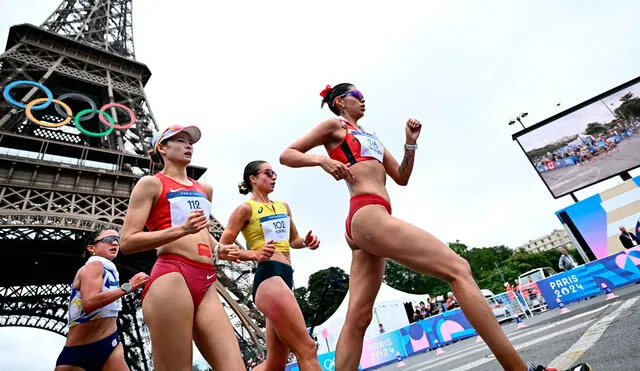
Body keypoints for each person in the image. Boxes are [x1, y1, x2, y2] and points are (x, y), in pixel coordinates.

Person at [279, 83, 570, 371]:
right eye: (357, 95)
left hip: (370, 219)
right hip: (366, 213)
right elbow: (288, 154)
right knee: (458, 269)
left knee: (359, 317)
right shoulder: (334, 125)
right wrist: (321, 160)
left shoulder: (370, 137)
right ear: (340, 101)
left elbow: (401, 176)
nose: (363, 98)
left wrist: (410, 142)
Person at [119, 125, 244, 371]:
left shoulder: (204, 190)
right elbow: (127, 241)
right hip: (172, 275)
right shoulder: (151, 184)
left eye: (190, 141)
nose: (189, 145)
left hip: (206, 278)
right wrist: (181, 230)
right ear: (162, 148)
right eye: (180, 140)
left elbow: (203, 232)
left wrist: (219, 249)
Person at [219, 160, 322, 371]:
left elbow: (293, 241)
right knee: (307, 348)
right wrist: (253, 254)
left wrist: (306, 242)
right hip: (268, 277)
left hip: (285, 276)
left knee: (275, 364)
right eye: (269, 172)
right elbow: (221, 248)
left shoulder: (283, 207)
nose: (274, 177)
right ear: (253, 179)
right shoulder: (245, 209)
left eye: (275, 173)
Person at [55, 229, 149, 370]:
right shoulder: (93, 267)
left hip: (110, 345)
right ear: (91, 248)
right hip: (79, 351)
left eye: (117, 239)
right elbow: (90, 302)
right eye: (108, 239)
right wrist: (128, 287)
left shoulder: (110, 270)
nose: (114, 242)